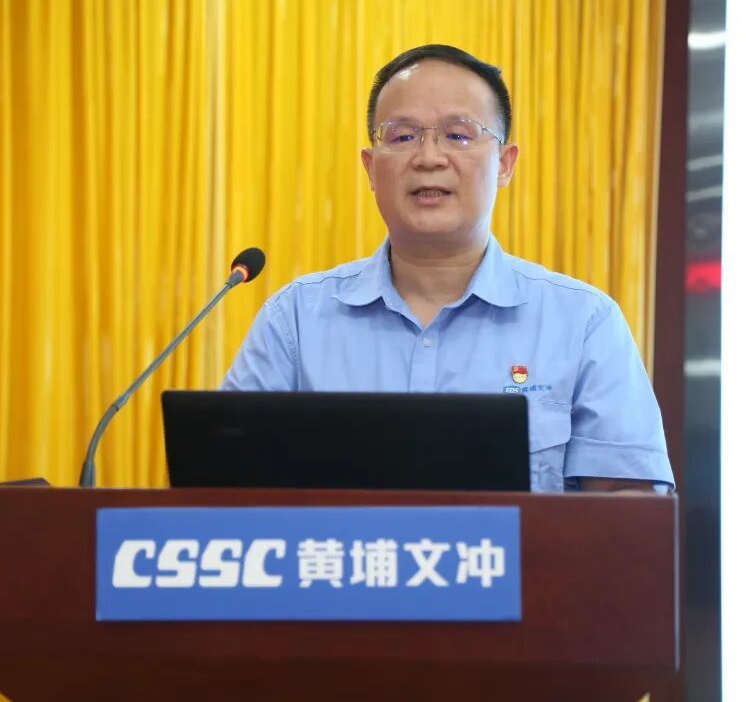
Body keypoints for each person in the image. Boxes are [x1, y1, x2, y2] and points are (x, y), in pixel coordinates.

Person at [222, 44, 674, 494]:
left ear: (505, 164)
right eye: (402, 137)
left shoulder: (582, 323)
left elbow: (628, 510)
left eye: (458, 135)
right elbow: (222, 489)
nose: (429, 157)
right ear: (371, 168)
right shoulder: (295, 321)